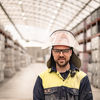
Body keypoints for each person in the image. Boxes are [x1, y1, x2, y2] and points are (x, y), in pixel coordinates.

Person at [33, 29, 93, 100]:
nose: (61, 55)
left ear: (70, 52)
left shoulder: (82, 78)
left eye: (65, 51)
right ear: (52, 52)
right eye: (57, 51)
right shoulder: (42, 78)